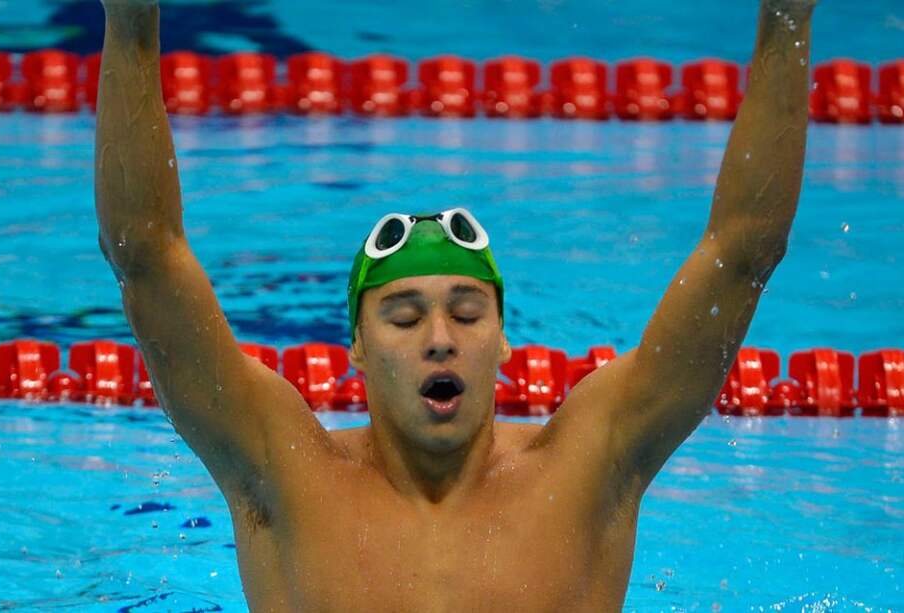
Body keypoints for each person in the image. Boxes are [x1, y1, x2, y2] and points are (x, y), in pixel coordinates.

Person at [94, 0, 817, 610]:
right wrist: (130, 24)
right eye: (403, 317)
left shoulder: (590, 463)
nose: (439, 338)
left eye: (467, 313)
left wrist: (789, 17)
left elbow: (745, 250)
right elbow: (146, 256)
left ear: (504, 339)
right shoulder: (281, 468)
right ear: (355, 343)